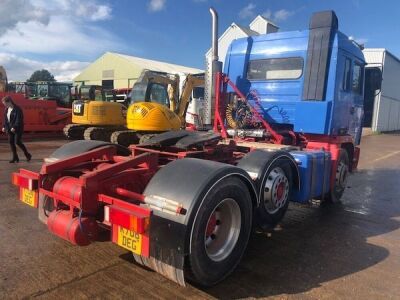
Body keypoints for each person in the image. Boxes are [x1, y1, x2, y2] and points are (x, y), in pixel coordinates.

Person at [1, 96, 31, 163]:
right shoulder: (6, 109)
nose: (4, 105)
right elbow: (6, 120)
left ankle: (27, 154)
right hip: (9, 128)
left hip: (18, 128)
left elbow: (19, 119)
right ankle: (15, 157)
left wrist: (14, 127)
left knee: (17, 142)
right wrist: (4, 126)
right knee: (11, 142)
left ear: (9, 102)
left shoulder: (17, 109)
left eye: (5, 103)